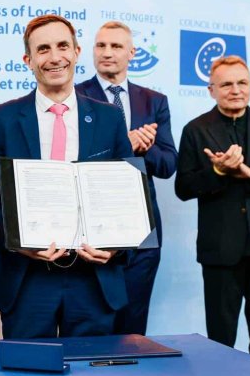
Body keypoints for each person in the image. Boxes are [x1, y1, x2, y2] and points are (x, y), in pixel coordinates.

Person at [0, 14, 133, 338]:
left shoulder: (110, 118)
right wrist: (18, 245)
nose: (54, 57)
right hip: (27, 278)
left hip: (93, 279)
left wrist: (115, 247)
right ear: (28, 60)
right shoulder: (1, 119)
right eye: (43, 49)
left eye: (62, 46)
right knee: (27, 365)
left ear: (76, 52)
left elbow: (128, 195)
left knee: (91, 366)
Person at [76, 21, 178, 335]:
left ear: (132, 53)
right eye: (101, 45)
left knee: (134, 328)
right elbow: (73, 160)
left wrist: (144, 148)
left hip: (142, 230)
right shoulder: (75, 95)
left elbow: (168, 164)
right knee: (92, 325)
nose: (107, 53)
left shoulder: (154, 101)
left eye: (116, 46)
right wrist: (124, 144)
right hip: (91, 227)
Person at [175, 55, 250, 357]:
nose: (235, 90)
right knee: (220, 342)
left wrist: (249, 173)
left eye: (242, 83)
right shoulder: (196, 129)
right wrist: (218, 171)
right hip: (220, 252)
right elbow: (183, 188)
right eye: (226, 84)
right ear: (211, 90)